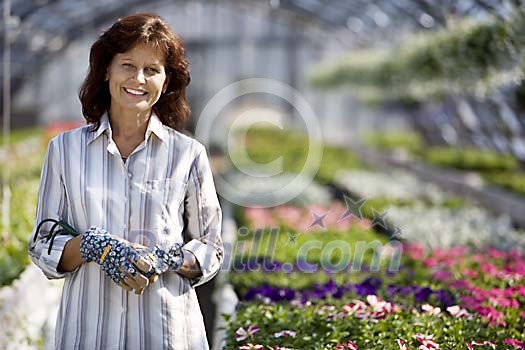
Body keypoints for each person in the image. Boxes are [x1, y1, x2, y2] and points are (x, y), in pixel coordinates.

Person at [28, 13, 223, 350]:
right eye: (128, 65)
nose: (139, 78)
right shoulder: (65, 149)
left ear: (166, 80)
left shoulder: (188, 154)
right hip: (89, 334)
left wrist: (170, 259)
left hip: (165, 333)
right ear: (106, 70)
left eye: (152, 69)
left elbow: (211, 246)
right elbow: (43, 243)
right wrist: (93, 245)